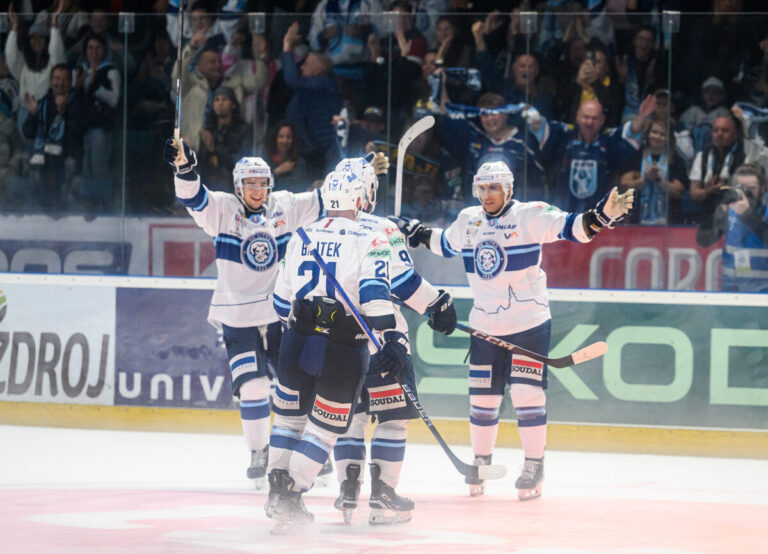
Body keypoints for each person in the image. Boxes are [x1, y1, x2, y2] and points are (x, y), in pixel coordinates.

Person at [391, 160, 634, 500]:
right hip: (485, 326)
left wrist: (603, 215)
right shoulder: (469, 220)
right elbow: (443, 243)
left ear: (508, 189)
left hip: (528, 325)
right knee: (483, 399)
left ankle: (534, 465)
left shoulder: (529, 215)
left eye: (494, 188)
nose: (487, 195)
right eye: (482, 188)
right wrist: (410, 230)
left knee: (526, 395)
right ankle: (481, 461)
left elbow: (574, 228)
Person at [161, 136, 325, 488]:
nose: (257, 189)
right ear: (238, 186)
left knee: (293, 385)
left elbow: (326, 199)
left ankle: (301, 449)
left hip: (281, 315)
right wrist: (184, 167)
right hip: (236, 317)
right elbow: (192, 196)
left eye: (262, 182)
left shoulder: (285, 206)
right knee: (252, 387)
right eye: (250, 183)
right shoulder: (221, 209)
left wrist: (357, 172)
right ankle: (259, 451)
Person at [265, 166, 408, 531]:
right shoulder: (371, 234)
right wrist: (390, 336)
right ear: (362, 198)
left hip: (296, 340)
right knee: (325, 428)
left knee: (287, 420)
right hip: (344, 346)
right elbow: (377, 297)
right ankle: (291, 494)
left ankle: (275, 491)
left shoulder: (301, 234)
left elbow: (280, 303)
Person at [330, 155, 457, 525]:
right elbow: (402, 283)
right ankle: (383, 497)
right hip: (384, 342)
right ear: (368, 192)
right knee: (393, 419)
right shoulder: (382, 229)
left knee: (350, 418)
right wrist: (438, 304)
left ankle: (348, 492)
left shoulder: (318, 228)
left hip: (336, 343)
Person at [527, 96, 654, 212]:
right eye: (586, 117)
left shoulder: (608, 140)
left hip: (599, 215)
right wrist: (533, 117)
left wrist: (642, 116)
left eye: (594, 118)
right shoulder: (565, 135)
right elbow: (541, 126)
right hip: (564, 213)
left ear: (602, 120)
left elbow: (631, 133)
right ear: (578, 116)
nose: (589, 122)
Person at [696, 162, 768, 292]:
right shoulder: (730, 209)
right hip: (731, 292)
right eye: (740, 188)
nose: (746, 193)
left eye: (751, 189)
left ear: (763, 188)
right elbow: (703, 240)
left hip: (763, 294)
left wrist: (748, 215)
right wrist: (719, 214)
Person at [22, 63, 84, 211]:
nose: (60, 83)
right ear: (50, 81)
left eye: (64, 79)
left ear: (70, 82)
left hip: (67, 158)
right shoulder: (42, 103)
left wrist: (63, 112)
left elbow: (78, 133)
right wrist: (33, 115)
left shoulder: (78, 102)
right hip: (43, 161)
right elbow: (27, 133)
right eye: (56, 79)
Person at [619, 115, 687, 225]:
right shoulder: (636, 156)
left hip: (669, 224)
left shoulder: (676, 160)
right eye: (654, 132)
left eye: (662, 134)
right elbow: (624, 185)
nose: (657, 137)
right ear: (648, 134)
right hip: (636, 222)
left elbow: (678, 192)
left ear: (669, 138)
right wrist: (644, 180)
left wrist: (658, 179)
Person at [197, 86, 251, 192]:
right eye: (217, 100)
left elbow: (241, 163)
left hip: (232, 187)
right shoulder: (209, 129)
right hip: (208, 186)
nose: (220, 103)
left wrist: (214, 148)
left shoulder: (244, 130)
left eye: (225, 99)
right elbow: (200, 163)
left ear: (233, 105)